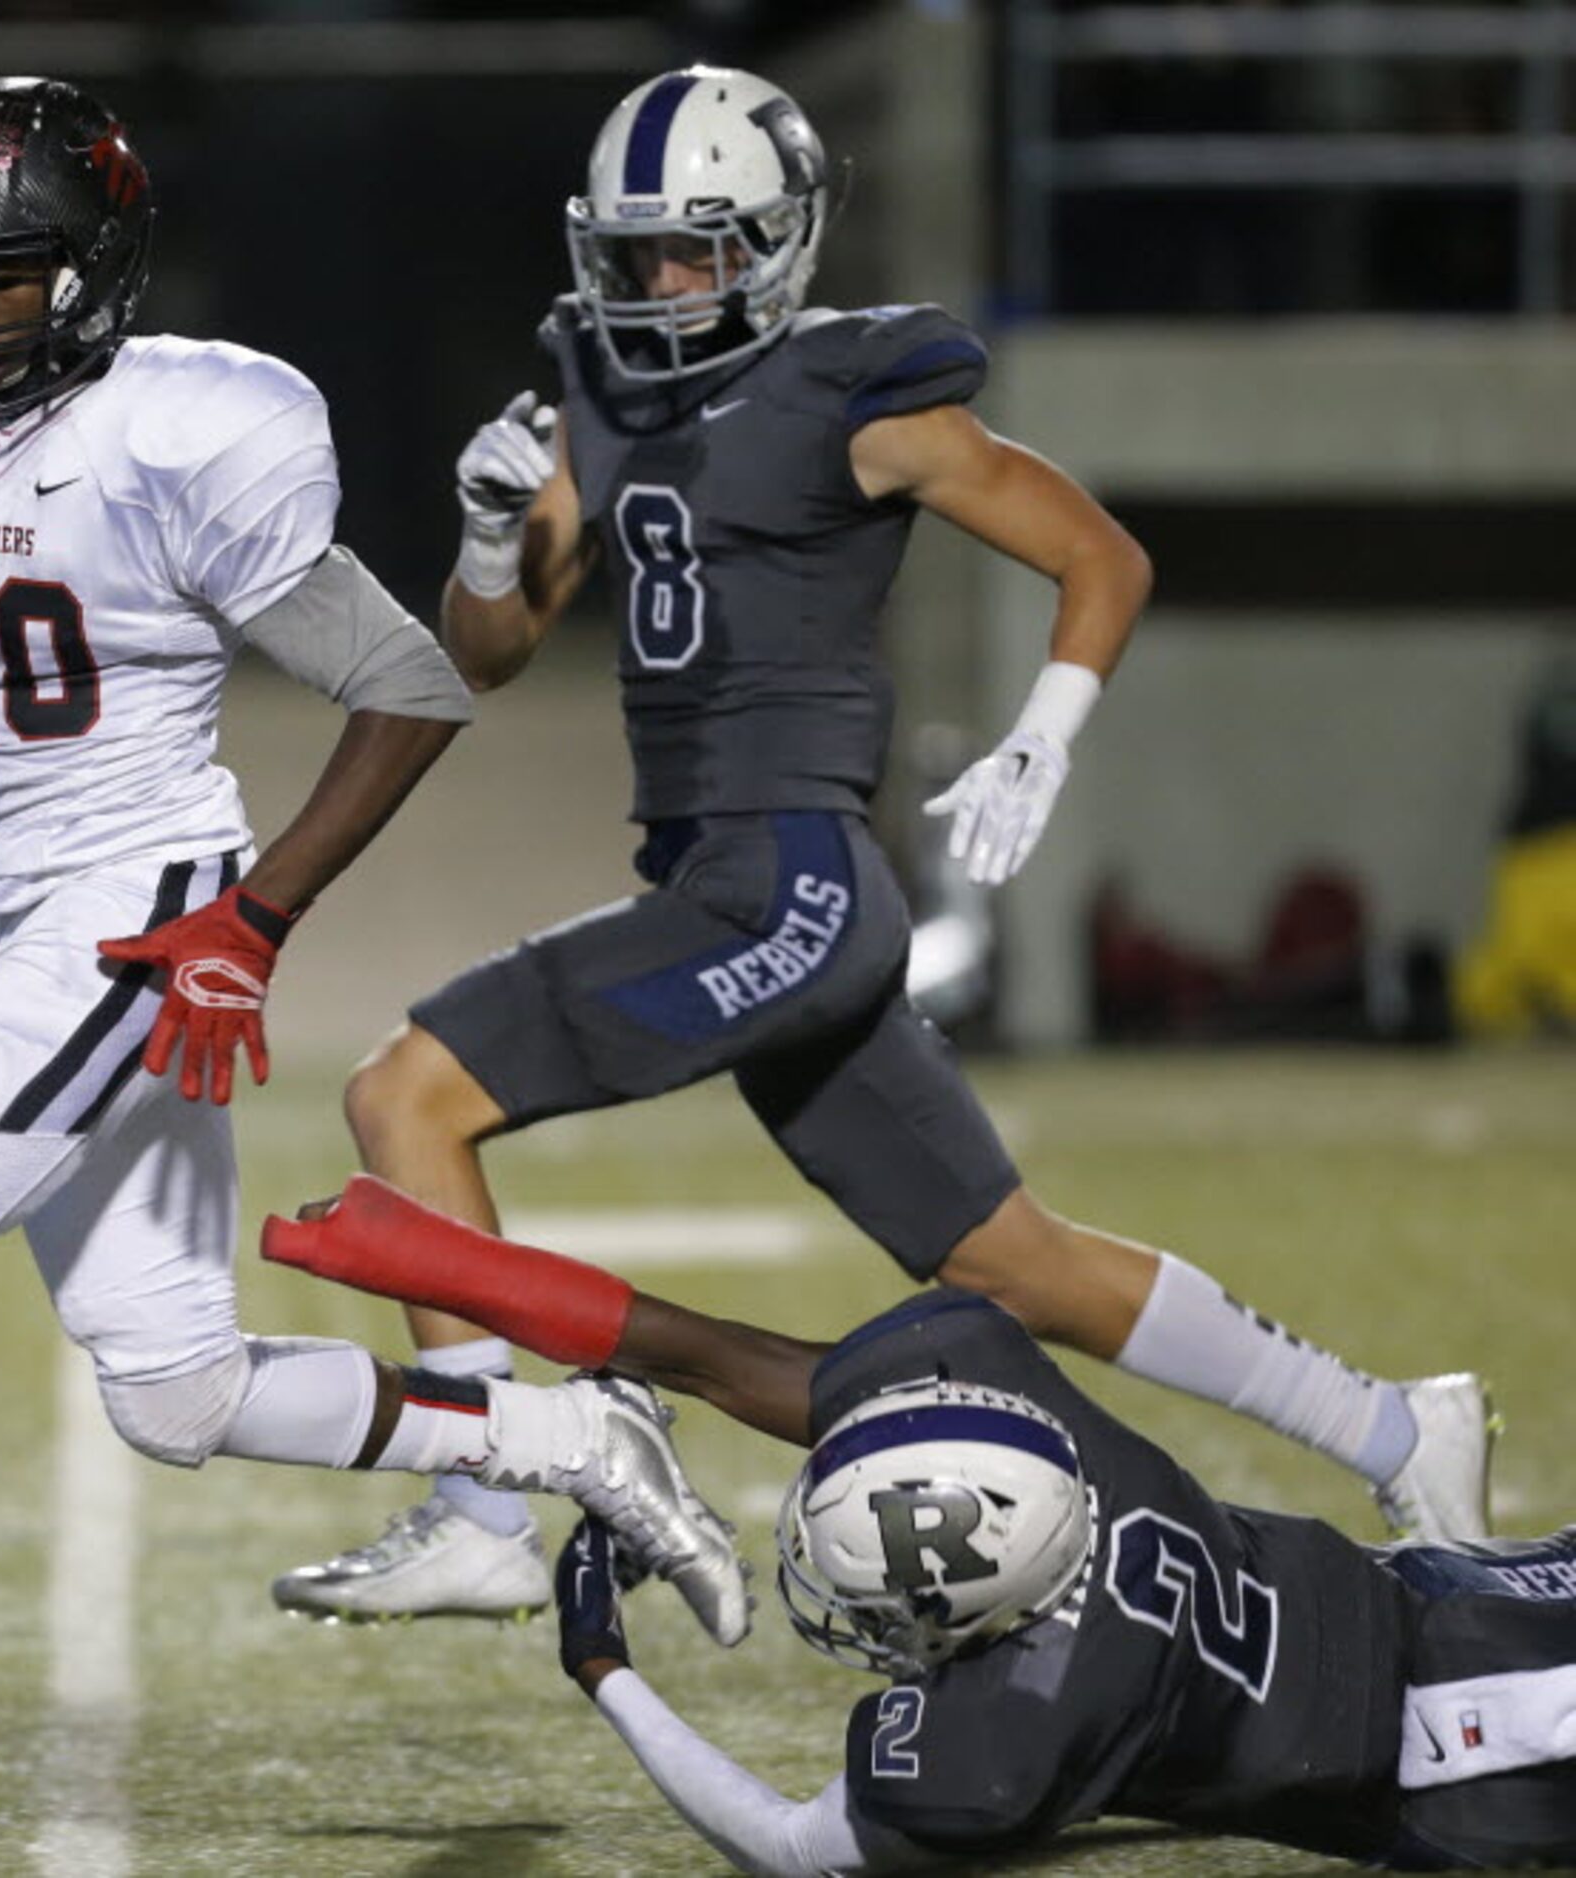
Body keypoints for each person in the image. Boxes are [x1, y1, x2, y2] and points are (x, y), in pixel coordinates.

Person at [0, 76, 754, 1826]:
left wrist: (246, 921)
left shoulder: (189, 427)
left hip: (140, 900)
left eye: (7, 272)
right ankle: (571, 1436)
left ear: (98, 265)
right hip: (31, 912)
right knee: (176, 1390)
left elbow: (409, 684)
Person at [274, 64, 1492, 1625]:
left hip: (784, 880)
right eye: (634, 249)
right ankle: (1397, 1423)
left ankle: (483, 1499)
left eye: (695, 249)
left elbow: (1096, 553)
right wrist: (479, 536)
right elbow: (494, 649)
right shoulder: (587, 383)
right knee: (1015, 1266)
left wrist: (1042, 731)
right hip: (728, 881)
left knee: (402, 1090)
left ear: (778, 243)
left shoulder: (855, 392)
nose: (658, 283)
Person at [266, 1183, 1576, 1872]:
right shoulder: (1031, 1413)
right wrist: (425, 1255)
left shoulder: (1009, 1732)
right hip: (1450, 1585)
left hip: (1476, 1752)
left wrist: (603, 1667)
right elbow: (706, 1354)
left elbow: (784, 1844)